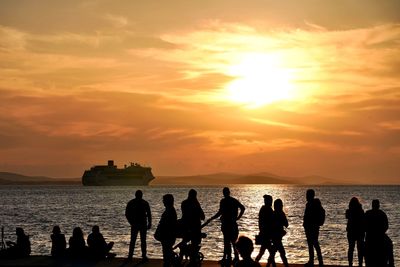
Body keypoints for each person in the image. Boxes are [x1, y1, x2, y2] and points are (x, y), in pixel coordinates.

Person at [205, 187, 245, 265]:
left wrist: (238, 218)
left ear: (225, 193)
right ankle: (232, 257)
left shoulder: (223, 201)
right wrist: (238, 218)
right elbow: (242, 208)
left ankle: (229, 258)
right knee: (232, 242)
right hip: (232, 224)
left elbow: (220, 212)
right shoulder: (234, 200)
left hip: (227, 224)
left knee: (227, 242)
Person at [364, 199, 393, 267]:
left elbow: (363, 226)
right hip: (379, 236)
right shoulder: (382, 214)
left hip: (370, 236)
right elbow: (386, 226)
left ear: (372, 205)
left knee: (389, 243)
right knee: (390, 244)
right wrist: (380, 232)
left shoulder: (368, 213)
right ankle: (391, 264)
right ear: (378, 205)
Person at [125, 190, 152, 262]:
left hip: (137, 224)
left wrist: (131, 222)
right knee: (141, 240)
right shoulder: (144, 203)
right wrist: (149, 223)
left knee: (134, 240)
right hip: (140, 223)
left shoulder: (131, 203)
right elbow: (149, 214)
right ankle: (142, 256)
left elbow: (127, 214)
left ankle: (131, 256)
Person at [181, 189, 205, 264]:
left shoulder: (184, 203)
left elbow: (184, 215)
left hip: (186, 226)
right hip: (195, 227)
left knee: (184, 241)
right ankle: (192, 259)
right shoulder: (196, 204)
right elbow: (202, 216)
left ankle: (181, 256)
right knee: (195, 243)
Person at [303, 189, 324, 267]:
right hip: (312, 228)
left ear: (310, 195)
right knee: (313, 244)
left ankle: (317, 261)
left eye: (307, 195)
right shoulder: (314, 204)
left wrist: (306, 224)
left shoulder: (311, 204)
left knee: (314, 244)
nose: (306, 196)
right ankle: (314, 261)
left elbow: (308, 216)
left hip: (312, 228)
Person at [155, 194, 177, 267]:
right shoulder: (170, 210)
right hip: (167, 235)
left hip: (167, 235)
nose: (163, 202)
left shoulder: (170, 211)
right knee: (167, 251)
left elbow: (167, 223)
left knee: (167, 251)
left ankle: (170, 263)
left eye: (164, 200)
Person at [255, 195, 275, 266]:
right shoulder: (268, 210)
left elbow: (260, 222)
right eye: (270, 201)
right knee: (270, 252)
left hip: (265, 233)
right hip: (266, 234)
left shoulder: (263, 209)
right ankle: (257, 262)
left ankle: (257, 262)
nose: (271, 202)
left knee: (264, 251)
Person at [345, 197, 365, 267]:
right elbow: (363, 220)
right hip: (360, 231)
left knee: (351, 248)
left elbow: (347, 217)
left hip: (351, 231)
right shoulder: (361, 210)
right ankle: (360, 264)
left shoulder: (349, 211)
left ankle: (350, 263)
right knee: (360, 249)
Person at [270, 199, 289, 267]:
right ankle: (286, 265)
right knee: (281, 252)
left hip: (274, 235)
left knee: (274, 252)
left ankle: (269, 264)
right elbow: (286, 224)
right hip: (278, 235)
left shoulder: (273, 213)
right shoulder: (281, 213)